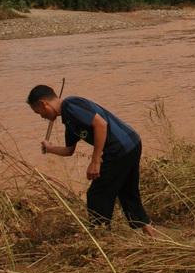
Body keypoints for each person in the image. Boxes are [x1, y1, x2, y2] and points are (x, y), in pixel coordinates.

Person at [27, 84, 154, 237]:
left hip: (119, 148)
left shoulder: (70, 104)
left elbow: (101, 125)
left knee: (97, 194)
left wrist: (95, 162)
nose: (41, 116)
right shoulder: (69, 121)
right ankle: (148, 232)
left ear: (43, 103)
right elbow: (69, 151)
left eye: (38, 112)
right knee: (127, 190)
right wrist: (49, 148)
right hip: (132, 143)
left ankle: (101, 236)